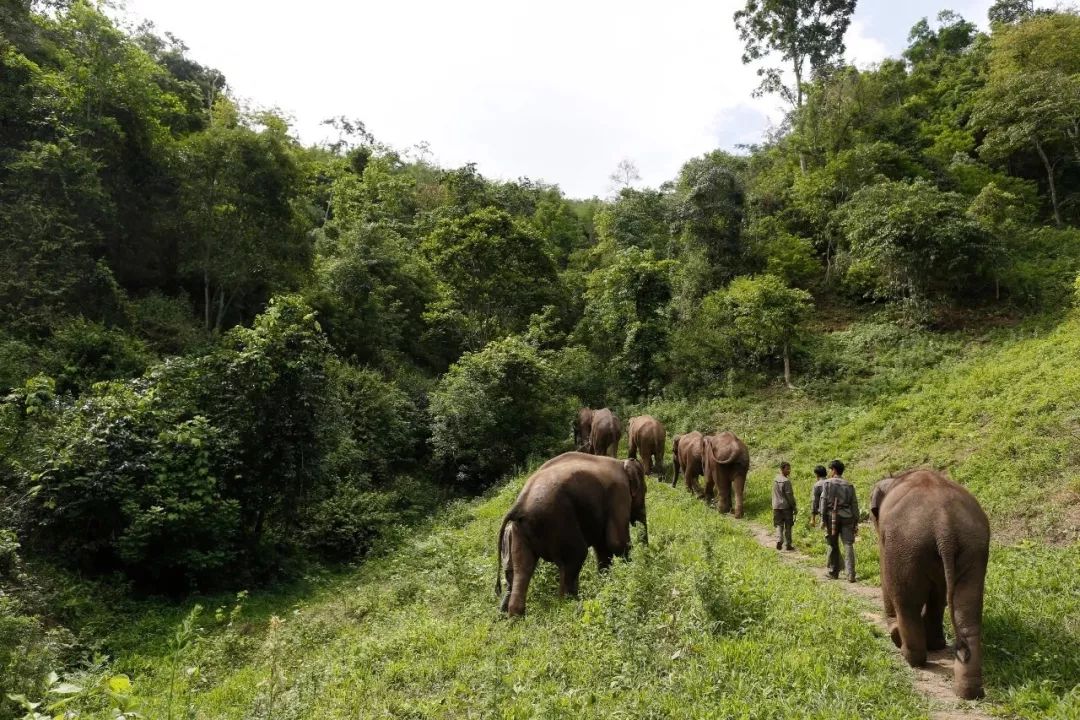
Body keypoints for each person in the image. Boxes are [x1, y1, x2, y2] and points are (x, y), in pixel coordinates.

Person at [821, 459, 859, 582]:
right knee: (848, 544)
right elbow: (854, 504)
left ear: (834, 470)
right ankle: (851, 574)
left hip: (831, 517)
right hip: (847, 517)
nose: (829, 472)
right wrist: (856, 521)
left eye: (830, 470)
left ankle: (834, 572)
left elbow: (823, 502)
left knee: (833, 544)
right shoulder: (849, 485)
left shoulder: (827, 483)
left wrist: (822, 518)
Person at [771, 462, 797, 550]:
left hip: (776, 506)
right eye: (787, 469)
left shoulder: (775, 479)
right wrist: (794, 506)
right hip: (786, 507)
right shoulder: (786, 481)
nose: (789, 470)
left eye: (790, 469)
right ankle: (788, 544)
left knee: (779, 524)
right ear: (782, 469)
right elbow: (789, 495)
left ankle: (779, 539)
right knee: (788, 526)